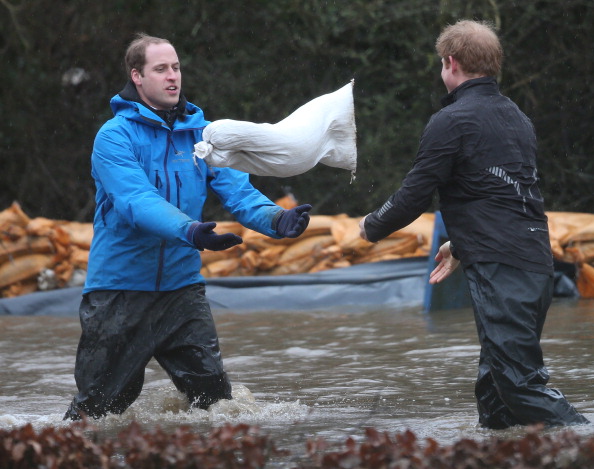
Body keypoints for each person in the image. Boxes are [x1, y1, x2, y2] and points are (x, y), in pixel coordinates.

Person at [64, 33, 312, 420]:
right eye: (160, 69)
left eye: (176, 67)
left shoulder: (204, 134)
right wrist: (190, 230)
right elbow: (136, 202)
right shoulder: (114, 137)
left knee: (217, 405)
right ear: (138, 77)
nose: (172, 76)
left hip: (183, 292)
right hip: (120, 291)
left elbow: (239, 193)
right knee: (98, 412)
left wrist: (277, 219)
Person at [359, 20, 590, 429]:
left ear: (451, 62)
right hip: (533, 263)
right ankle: (497, 452)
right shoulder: (517, 117)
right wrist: (461, 246)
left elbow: (414, 195)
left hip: (504, 269)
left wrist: (370, 226)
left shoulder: (451, 121)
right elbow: (503, 195)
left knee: (519, 384)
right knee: (495, 389)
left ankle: (582, 439)